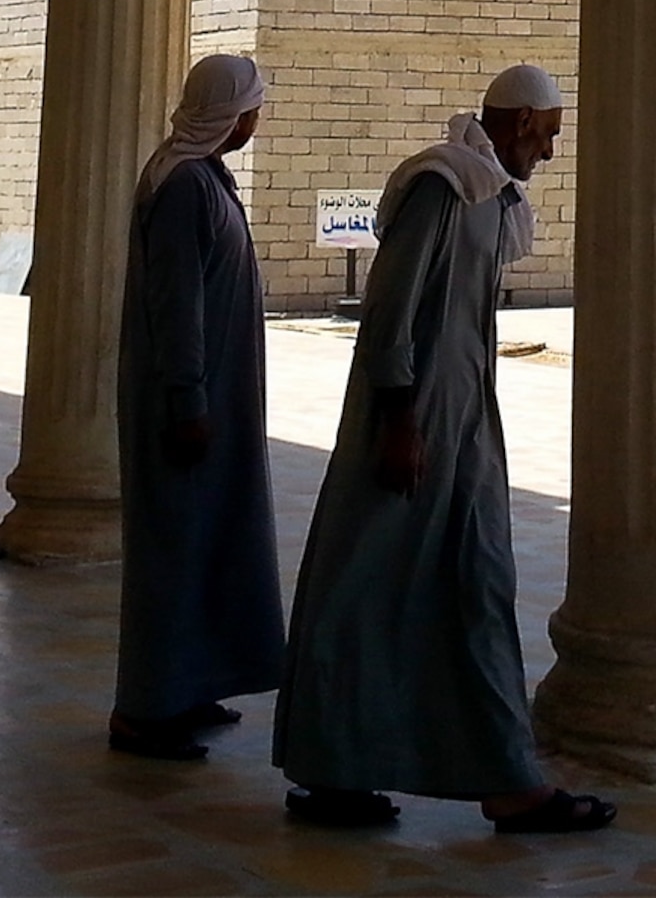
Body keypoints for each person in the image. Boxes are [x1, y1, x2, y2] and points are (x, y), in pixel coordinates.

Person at [274, 64, 615, 835]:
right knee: (368, 590)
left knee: (467, 587)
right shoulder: (443, 187)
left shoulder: (488, 197)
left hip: (459, 425)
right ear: (523, 121)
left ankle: (485, 774)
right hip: (412, 427)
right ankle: (358, 771)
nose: (552, 154)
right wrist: (399, 423)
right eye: (551, 134)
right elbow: (389, 314)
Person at [110, 52, 285, 761]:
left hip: (216, 397)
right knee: (173, 553)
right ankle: (145, 709)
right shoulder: (184, 186)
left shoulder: (204, 175)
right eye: (250, 107)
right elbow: (176, 304)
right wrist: (188, 399)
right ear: (227, 113)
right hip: (188, 401)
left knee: (206, 544)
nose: (255, 118)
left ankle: (189, 683)